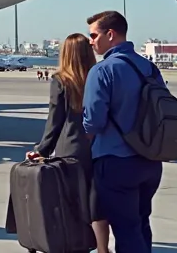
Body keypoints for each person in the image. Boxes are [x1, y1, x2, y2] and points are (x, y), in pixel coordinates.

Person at [83, 10, 165, 252]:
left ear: (110, 34)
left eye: (94, 35)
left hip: (116, 161)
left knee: (126, 229)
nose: (91, 41)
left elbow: (93, 121)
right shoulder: (148, 68)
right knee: (140, 225)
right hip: (150, 160)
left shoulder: (103, 70)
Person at [23, 34, 109, 253]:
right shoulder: (98, 76)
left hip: (71, 150)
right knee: (95, 200)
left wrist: (40, 150)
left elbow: (55, 120)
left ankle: (73, 242)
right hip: (99, 148)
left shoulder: (61, 80)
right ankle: (102, 248)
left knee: (70, 201)